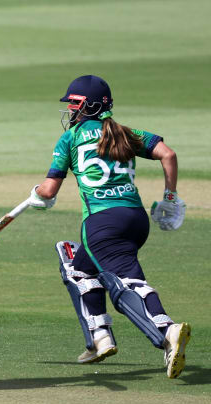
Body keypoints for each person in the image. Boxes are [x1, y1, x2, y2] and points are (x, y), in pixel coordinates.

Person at [28, 75, 190, 379]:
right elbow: (168, 154)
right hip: (135, 219)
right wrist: (170, 198)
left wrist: (37, 194)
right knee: (77, 265)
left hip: (102, 223)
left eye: (74, 103)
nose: (71, 110)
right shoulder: (126, 133)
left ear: (90, 105)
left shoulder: (71, 138)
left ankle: (168, 330)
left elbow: (49, 191)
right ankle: (99, 338)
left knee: (127, 282)